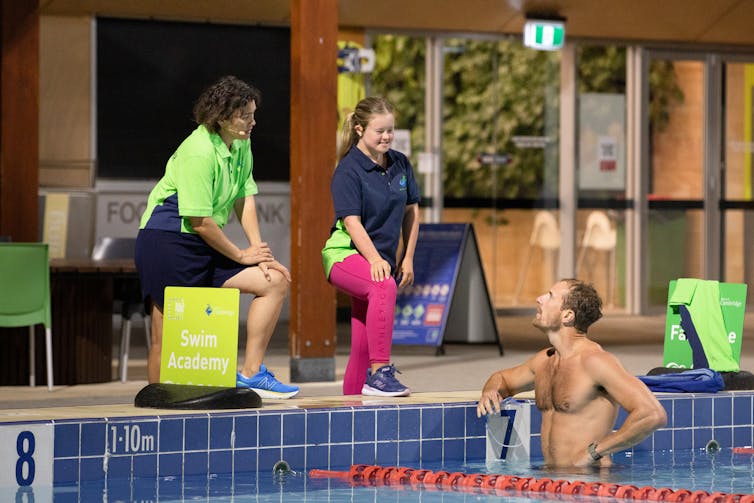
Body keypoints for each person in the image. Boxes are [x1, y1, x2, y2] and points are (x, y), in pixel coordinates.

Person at [134, 75, 298, 399]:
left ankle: (252, 373)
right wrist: (239, 255)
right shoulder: (198, 151)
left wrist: (256, 249)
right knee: (166, 334)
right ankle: (156, 406)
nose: (253, 122)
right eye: (245, 116)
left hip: (203, 240)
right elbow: (200, 220)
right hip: (168, 241)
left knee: (274, 281)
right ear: (221, 117)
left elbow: (244, 197)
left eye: (254, 114)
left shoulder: (241, 143)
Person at [477, 279, 666, 468]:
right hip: (553, 481)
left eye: (550, 296)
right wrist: (490, 391)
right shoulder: (544, 360)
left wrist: (594, 452)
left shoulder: (595, 362)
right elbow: (502, 379)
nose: (539, 299)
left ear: (567, 316)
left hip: (590, 485)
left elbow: (652, 414)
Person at [321, 96, 420, 397]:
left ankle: (349, 414)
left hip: (378, 260)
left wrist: (408, 259)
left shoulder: (400, 163)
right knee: (383, 286)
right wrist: (377, 260)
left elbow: (412, 212)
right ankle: (380, 371)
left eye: (390, 130)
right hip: (344, 255)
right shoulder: (348, 171)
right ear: (360, 129)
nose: (387, 136)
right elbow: (352, 223)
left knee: (362, 344)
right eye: (380, 131)